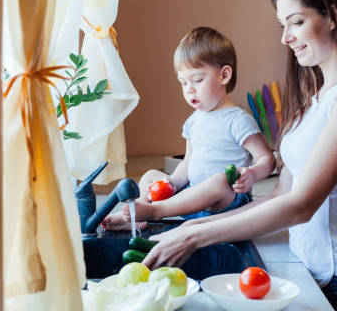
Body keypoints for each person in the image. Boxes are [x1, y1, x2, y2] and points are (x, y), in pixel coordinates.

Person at [140, 0, 337, 311]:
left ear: (334, 16)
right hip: (312, 277)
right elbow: (282, 193)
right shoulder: (317, 97)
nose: (285, 37)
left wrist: (192, 235)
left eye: (297, 21)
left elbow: (302, 204)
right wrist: (188, 225)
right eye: (283, 25)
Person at [101, 27, 275, 230]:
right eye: (183, 83)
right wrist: (173, 182)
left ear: (224, 75)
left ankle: (156, 210)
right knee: (150, 176)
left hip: (225, 205)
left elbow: (267, 159)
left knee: (218, 181)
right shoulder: (193, 121)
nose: (189, 89)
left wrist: (252, 174)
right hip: (191, 199)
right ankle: (137, 218)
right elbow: (188, 161)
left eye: (197, 80)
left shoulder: (238, 120)